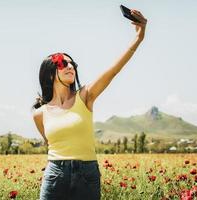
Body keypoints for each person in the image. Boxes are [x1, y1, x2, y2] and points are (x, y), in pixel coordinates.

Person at [32, 9, 147, 200]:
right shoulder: (40, 114)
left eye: (72, 64)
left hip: (87, 175)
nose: (70, 66)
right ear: (50, 72)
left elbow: (114, 69)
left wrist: (139, 37)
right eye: (63, 63)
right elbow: (49, 142)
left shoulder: (85, 96)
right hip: (55, 175)